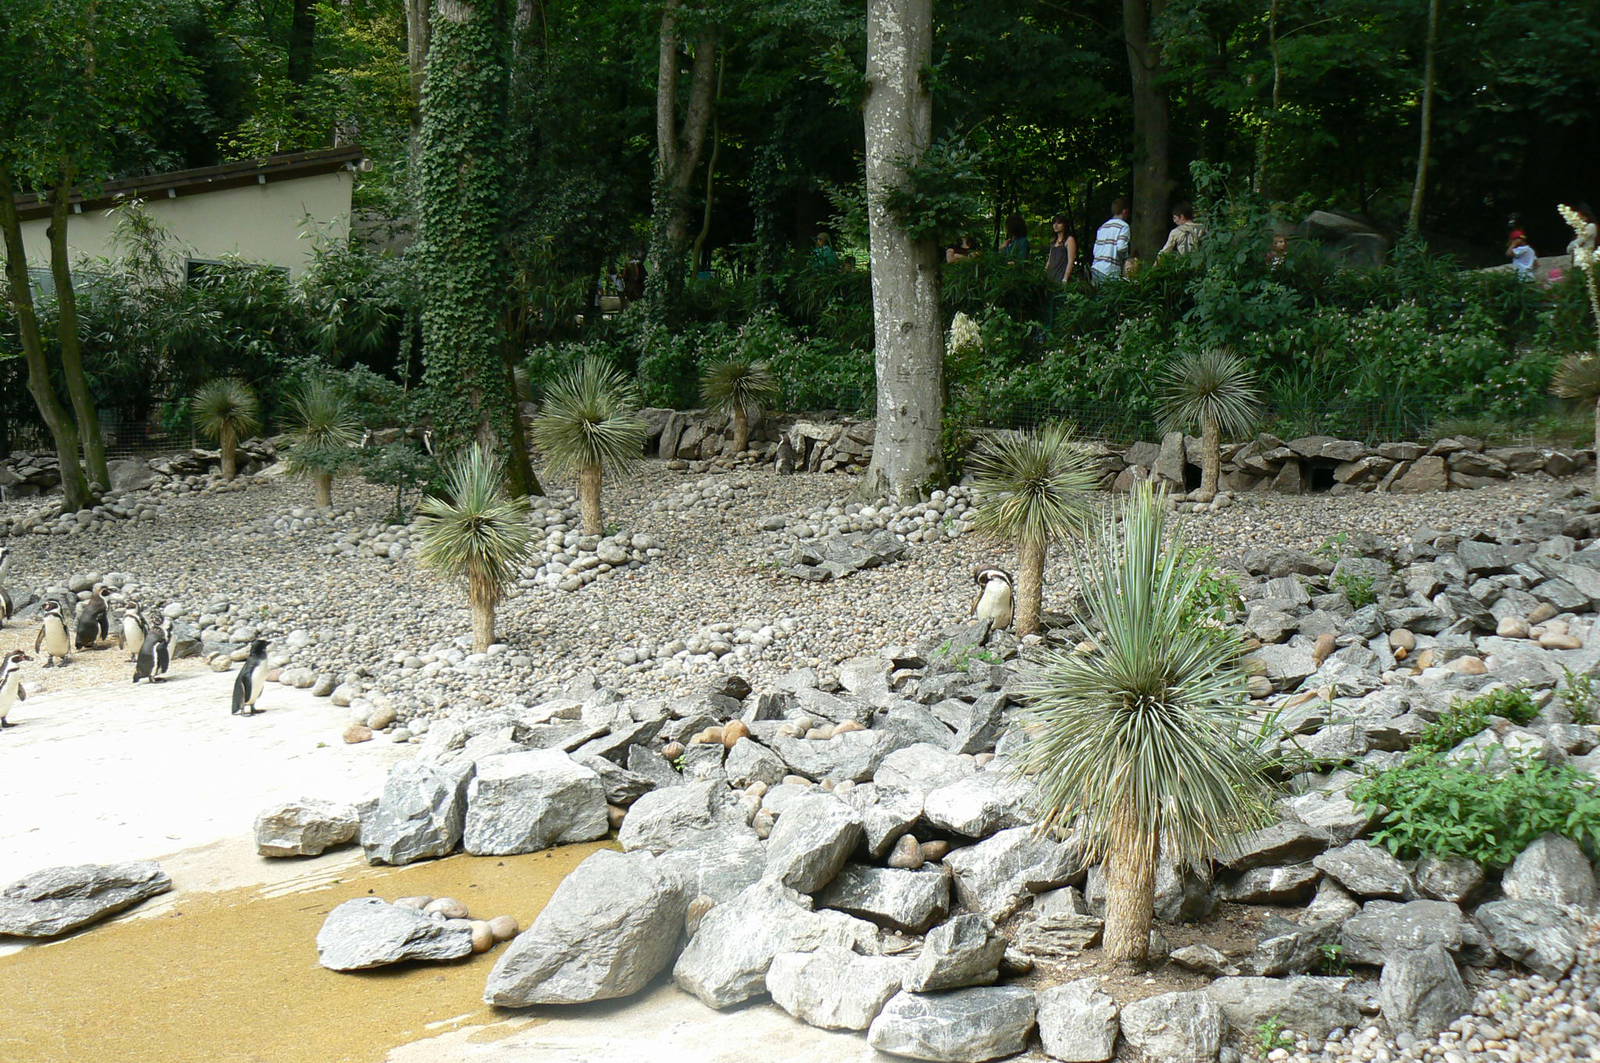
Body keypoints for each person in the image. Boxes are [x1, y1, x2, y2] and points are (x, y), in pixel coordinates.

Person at [1091, 197, 1131, 282]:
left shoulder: (1102, 227)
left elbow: (1095, 250)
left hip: (1096, 268)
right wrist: (1127, 257)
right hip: (1109, 270)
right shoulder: (1124, 226)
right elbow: (1121, 248)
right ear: (1125, 211)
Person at [1046, 215, 1077, 283]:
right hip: (1050, 275)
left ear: (1064, 225)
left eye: (1059, 223)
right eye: (1054, 223)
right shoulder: (1053, 241)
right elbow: (1049, 260)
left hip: (1061, 275)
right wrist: (1044, 273)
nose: (1055, 225)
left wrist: (1065, 278)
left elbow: (1071, 261)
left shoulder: (1069, 240)